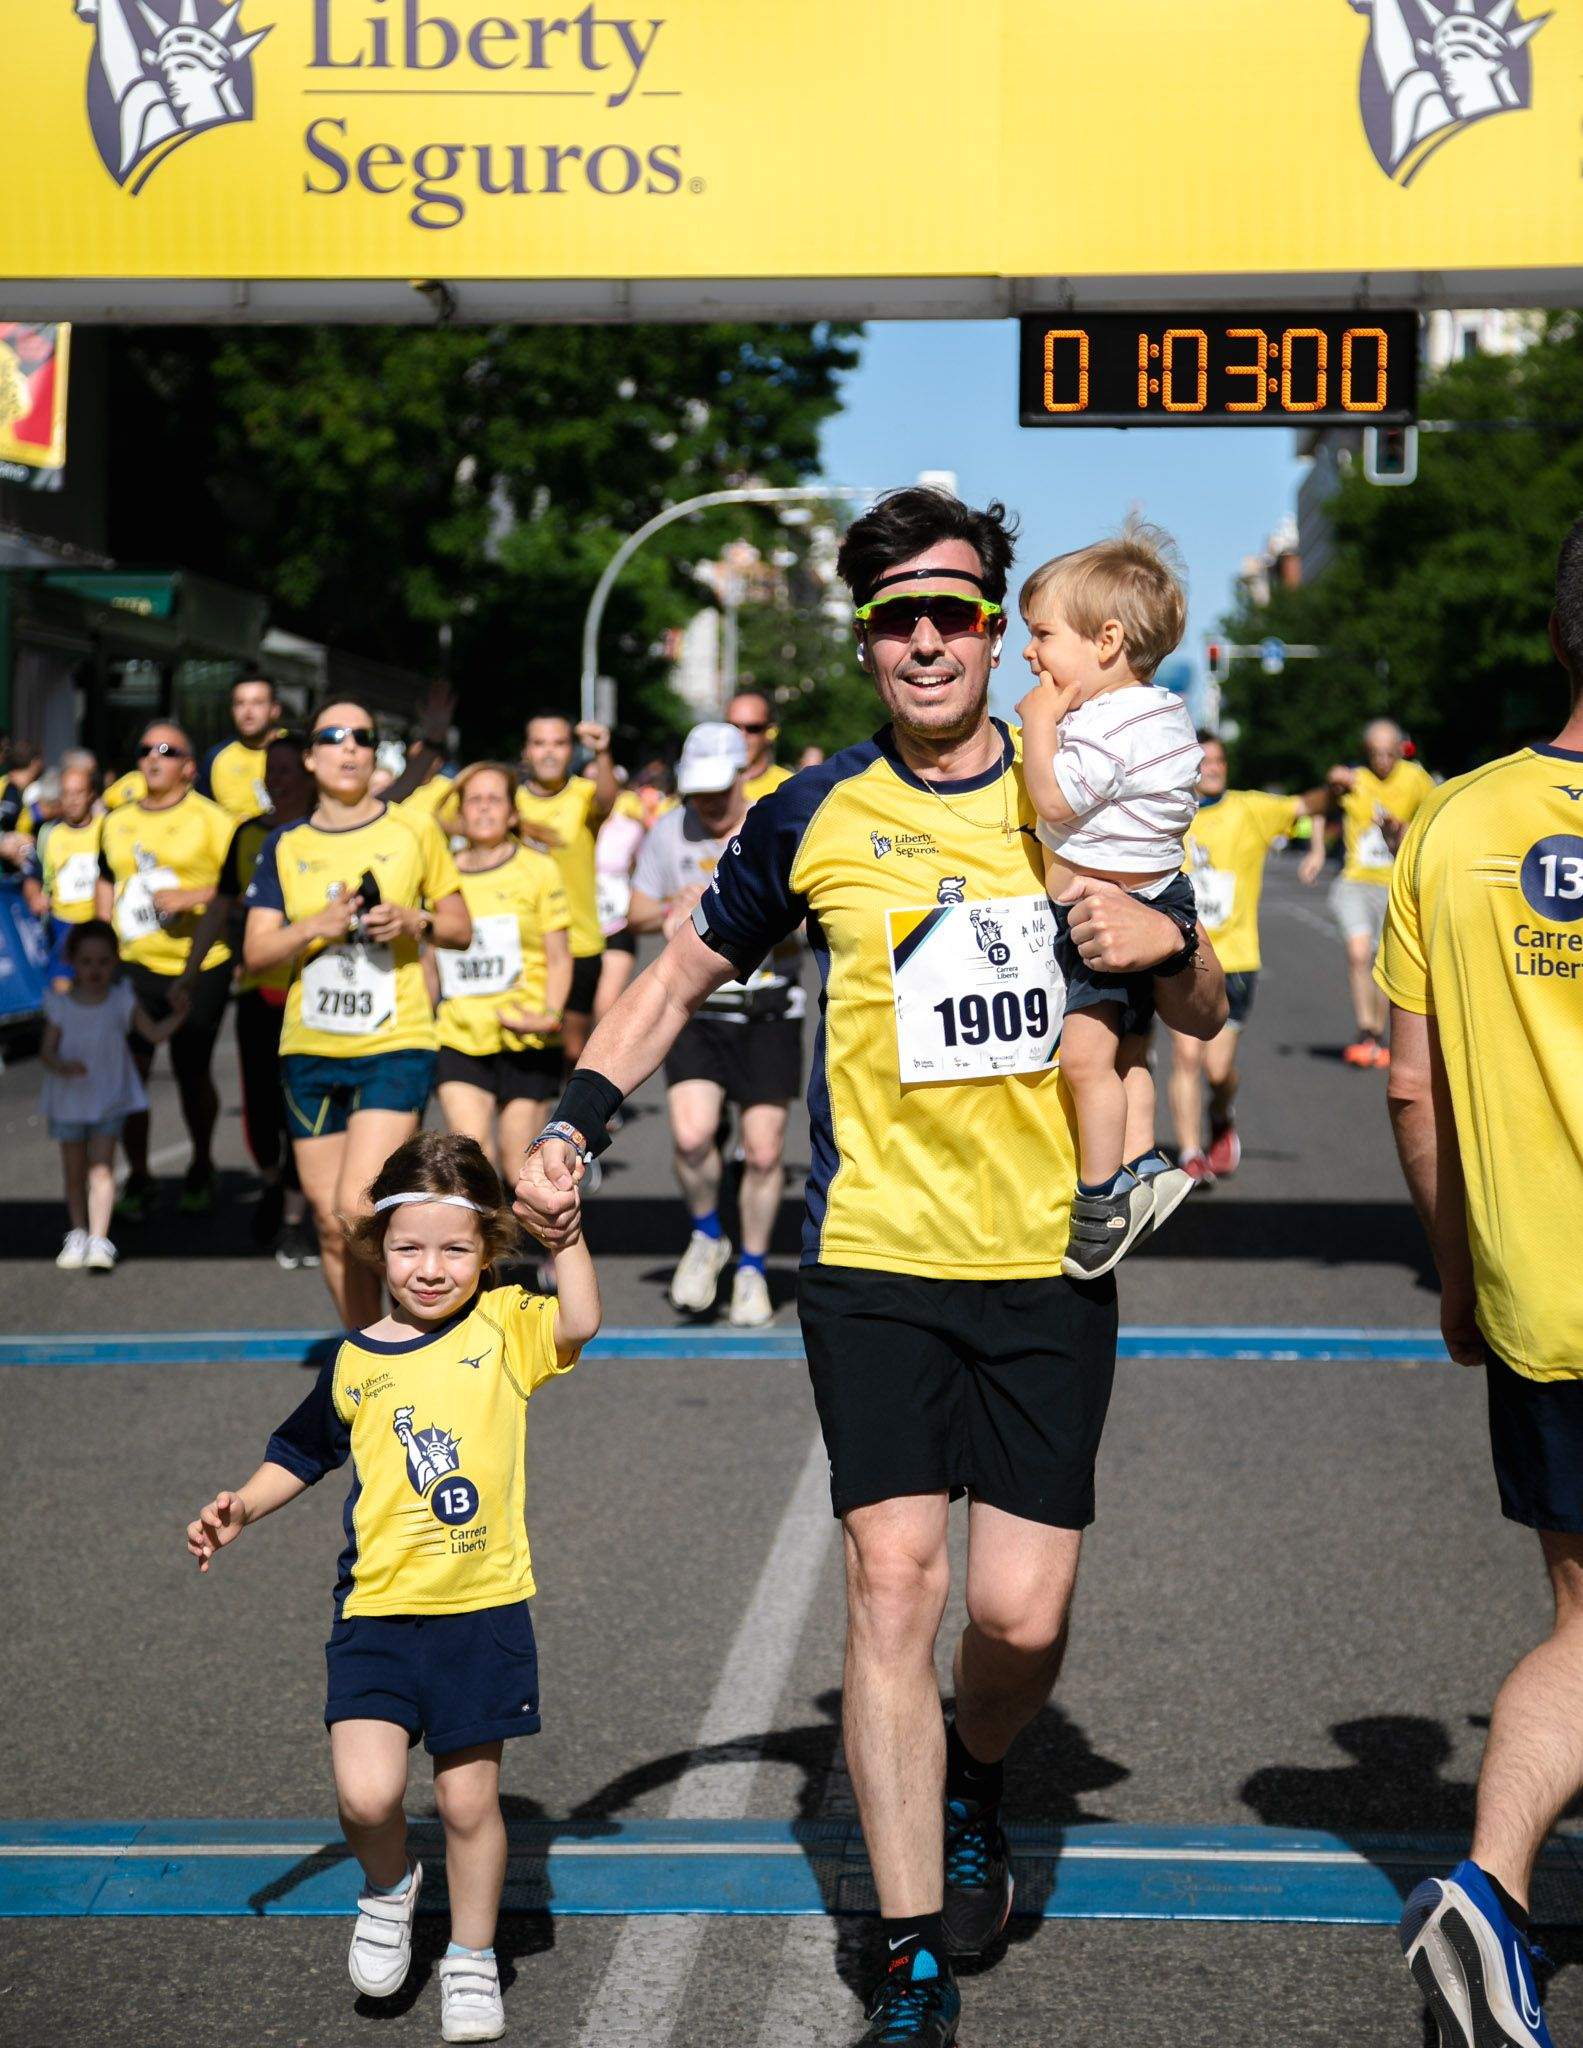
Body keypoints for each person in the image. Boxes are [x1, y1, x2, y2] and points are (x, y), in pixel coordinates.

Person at [516, 486, 1226, 2048]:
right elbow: (674, 970)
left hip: (1046, 1260)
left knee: (1021, 1618)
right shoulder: (813, 813)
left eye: (954, 610)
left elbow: (1197, 1007)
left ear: (993, 629)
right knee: (892, 1582)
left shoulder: (1089, 776)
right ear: (863, 639)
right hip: (875, 1260)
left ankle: (975, 1771)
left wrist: (1160, 949)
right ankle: (902, 1943)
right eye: (894, 614)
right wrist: (573, 1120)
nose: (925, 639)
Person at [184, 1130, 600, 2046]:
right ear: (378, 1246)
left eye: (455, 1248)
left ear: (489, 1250)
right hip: (373, 1612)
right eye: (409, 1246)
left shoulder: (504, 1327)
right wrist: (243, 1508)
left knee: (465, 1803)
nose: (430, 1267)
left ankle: (471, 1958)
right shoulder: (353, 1360)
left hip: (480, 1610)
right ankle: (388, 1890)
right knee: (370, 1799)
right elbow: (297, 1453)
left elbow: (579, 1323)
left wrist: (564, 1239)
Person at [1383, 521, 1583, 2048]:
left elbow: (1411, 1090)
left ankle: (1493, 1900)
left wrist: (1459, 1280)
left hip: (1537, 1298)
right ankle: (1491, 1887)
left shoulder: (1453, 823)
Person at [242, 703, 472, 1326]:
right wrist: (316, 925)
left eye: (363, 738)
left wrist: (412, 919)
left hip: (394, 1041)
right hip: (310, 1046)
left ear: (375, 756)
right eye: (333, 738)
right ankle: (368, 1361)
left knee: (357, 1206)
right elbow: (257, 951)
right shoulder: (285, 845)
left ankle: (440, 1316)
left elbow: (459, 926)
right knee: (327, 1220)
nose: (350, 748)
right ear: (311, 758)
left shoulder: (413, 830)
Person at [1015, 523, 1201, 1278]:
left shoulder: (1105, 722)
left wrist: (1037, 726)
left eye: (1041, 634)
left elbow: (1055, 803)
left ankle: (1098, 1201)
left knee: (1085, 1063)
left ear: (1106, 640)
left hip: (1099, 916)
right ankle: (1141, 1165)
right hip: (1153, 900)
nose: (1030, 654)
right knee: (1128, 1052)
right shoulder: (1160, 712)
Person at [628, 722, 804, 1327]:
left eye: (715, 788)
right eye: (694, 789)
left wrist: (753, 913)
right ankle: (708, 1235)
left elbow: (813, 922)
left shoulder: (773, 825)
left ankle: (752, 1267)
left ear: (741, 773)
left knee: (762, 1151)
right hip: (699, 1010)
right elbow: (636, 910)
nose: (705, 802)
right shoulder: (667, 831)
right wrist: (674, 906)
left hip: (768, 1009)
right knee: (691, 1135)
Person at [181, 733, 320, 1265]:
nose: (281, 780)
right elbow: (218, 909)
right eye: (273, 770)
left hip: (312, 996)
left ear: (309, 774)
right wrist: (190, 974)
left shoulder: (325, 833)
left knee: (298, 1105)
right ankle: (270, 1179)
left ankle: (293, 1210)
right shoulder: (246, 836)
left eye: (290, 769)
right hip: (259, 992)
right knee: (260, 1108)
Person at [1166, 738, 1328, 1182]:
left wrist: (1334, 789)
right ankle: (1189, 1153)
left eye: (1220, 760)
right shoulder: (1166, 812)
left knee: (1217, 1070)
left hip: (1236, 957)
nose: (1214, 768)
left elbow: (1306, 804)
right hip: (1181, 954)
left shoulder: (1250, 809)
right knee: (1185, 1057)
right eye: (1205, 761)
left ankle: (1221, 1117)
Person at [95, 719, 236, 1218]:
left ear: (189, 766)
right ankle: (141, 1175)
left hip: (200, 965)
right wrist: (99, 947)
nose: (154, 757)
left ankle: (200, 1162)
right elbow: (106, 881)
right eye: (145, 749)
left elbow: (237, 891)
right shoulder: (116, 820)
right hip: (134, 964)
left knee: (190, 1070)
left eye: (167, 750)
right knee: (129, 1073)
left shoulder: (214, 820)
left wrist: (192, 896)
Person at [433, 762, 573, 1184]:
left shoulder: (538, 868)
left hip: (524, 1032)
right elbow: (427, 956)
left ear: (513, 813)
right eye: (474, 800)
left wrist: (550, 1015)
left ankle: (552, 1247)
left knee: (519, 1166)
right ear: (461, 812)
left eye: (495, 799)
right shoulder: (441, 875)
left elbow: (560, 956)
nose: (484, 809)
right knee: (472, 1160)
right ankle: (485, 1252)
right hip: (458, 1034)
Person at [40, 919, 186, 1273]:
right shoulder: (61, 1005)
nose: (95, 970)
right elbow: (47, 1051)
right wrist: (62, 1066)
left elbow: (152, 1034)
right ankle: (77, 1231)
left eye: (103, 961)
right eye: (87, 962)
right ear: (73, 961)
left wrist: (180, 1014)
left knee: (102, 1169)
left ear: (115, 962)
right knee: (74, 1172)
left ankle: (99, 1238)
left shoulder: (121, 1001)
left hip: (108, 1098)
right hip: (69, 1102)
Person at [1300, 717, 1434, 1069]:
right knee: (1359, 954)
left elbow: (1433, 819)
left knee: (1381, 960)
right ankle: (1366, 1031)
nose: (1384, 761)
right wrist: (1316, 849)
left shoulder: (1416, 779)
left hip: (1395, 884)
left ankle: (1378, 1032)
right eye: (1376, 754)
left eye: (1391, 753)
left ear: (1401, 750)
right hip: (1355, 881)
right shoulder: (1353, 778)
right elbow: (1320, 808)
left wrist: (1402, 831)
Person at [515, 712, 618, 1065]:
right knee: (526, 1043)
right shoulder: (509, 803)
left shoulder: (583, 795)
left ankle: (574, 1116)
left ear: (571, 751)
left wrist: (603, 753)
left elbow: (606, 800)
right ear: (526, 751)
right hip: (526, 945)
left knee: (572, 1046)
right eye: (539, 743)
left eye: (559, 743)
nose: (548, 752)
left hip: (579, 941)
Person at [33, 760, 104, 985]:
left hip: (98, 924)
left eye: (79, 792)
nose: (72, 800)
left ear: (91, 794)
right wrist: (35, 894)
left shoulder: (107, 828)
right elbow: (34, 874)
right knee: (62, 993)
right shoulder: (49, 833)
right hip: (62, 925)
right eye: (67, 793)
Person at [196, 674, 283, 821]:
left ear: (275, 709)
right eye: (240, 703)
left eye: (257, 703)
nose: (248, 712)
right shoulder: (215, 757)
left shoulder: (296, 750)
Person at [728, 688, 792, 805]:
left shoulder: (790, 787)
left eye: (753, 728)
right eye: (733, 728)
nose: (741, 736)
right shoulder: (706, 786)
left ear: (770, 732)